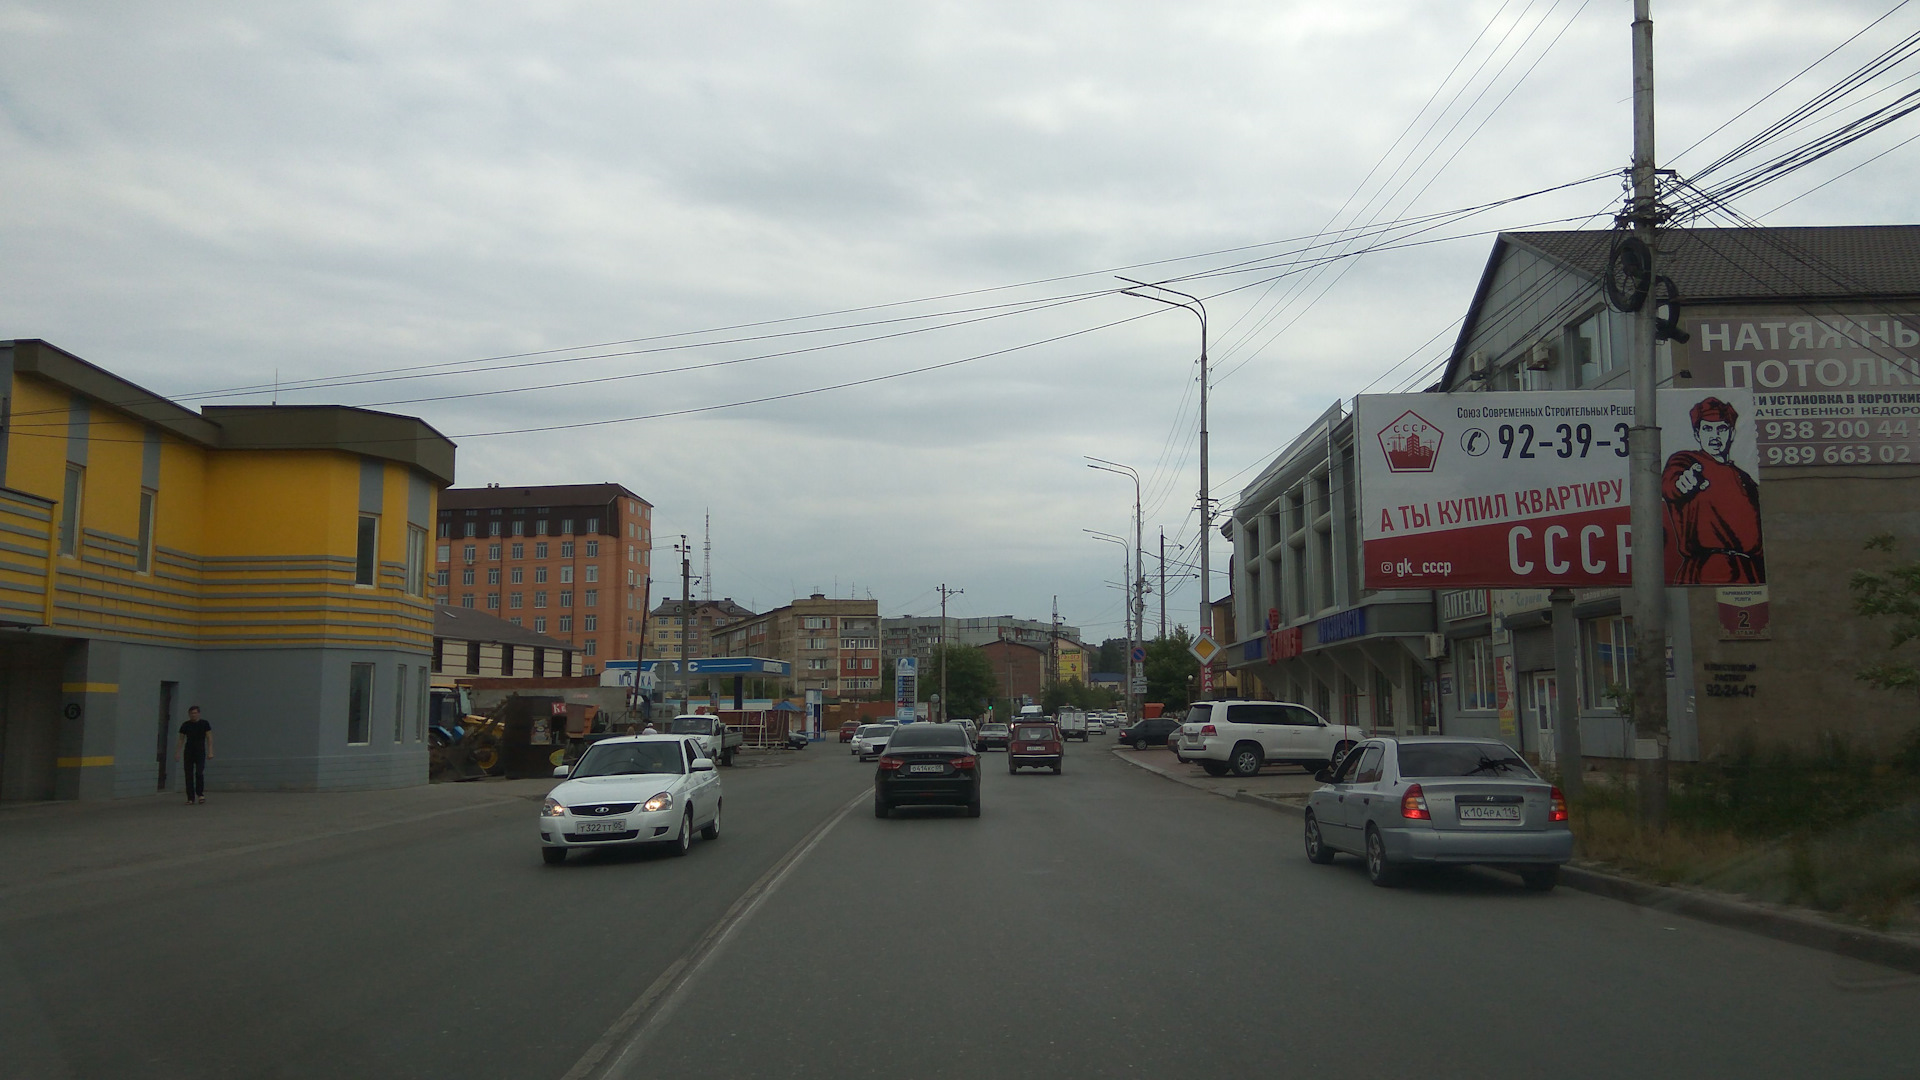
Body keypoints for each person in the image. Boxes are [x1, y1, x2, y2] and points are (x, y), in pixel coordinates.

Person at [1662, 396, 1765, 584]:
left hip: (1750, 572)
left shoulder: (1746, 479)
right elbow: (1670, 484)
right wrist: (1683, 483)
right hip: (1706, 570)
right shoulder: (1687, 460)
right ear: (1697, 434)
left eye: (1722, 429)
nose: (1715, 436)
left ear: (1732, 433)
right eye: (1708, 428)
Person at [176, 705, 213, 805]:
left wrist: (210, 751)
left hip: (200, 751)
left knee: (199, 772)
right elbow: (181, 739)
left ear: (198, 713)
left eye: (195, 713)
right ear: (189, 714)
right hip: (188, 751)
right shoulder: (185, 725)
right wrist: (177, 753)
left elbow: (209, 738)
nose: (193, 715)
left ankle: (200, 794)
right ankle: (190, 798)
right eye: (192, 713)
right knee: (188, 774)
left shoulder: (204, 724)